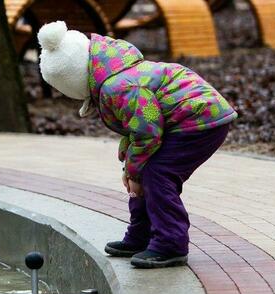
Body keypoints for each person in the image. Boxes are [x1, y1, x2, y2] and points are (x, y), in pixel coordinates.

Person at [37, 21, 237, 269]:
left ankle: (170, 244)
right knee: (144, 170)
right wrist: (130, 166)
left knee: (157, 173)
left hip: (198, 119)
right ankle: (141, 236)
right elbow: (138, 125)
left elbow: (147, 130)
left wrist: (134, 170)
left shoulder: (117, 86)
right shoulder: (117, 76)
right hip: (185, 120)